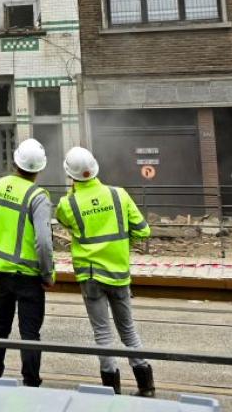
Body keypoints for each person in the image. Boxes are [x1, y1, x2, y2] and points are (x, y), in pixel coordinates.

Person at [56, 146, 155, 397]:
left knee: (102, 334)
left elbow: (65, 222)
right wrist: (123, 245)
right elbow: (143, 230)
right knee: (128, 330)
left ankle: (111, 391)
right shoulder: (118, 195)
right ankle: (146, 385)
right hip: (119, 273)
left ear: (70, 175)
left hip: (90, 276)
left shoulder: (68, 203)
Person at [0, 138, 55, 387]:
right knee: (30, 334)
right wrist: (47, 274)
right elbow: (44, 242)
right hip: (29, 276)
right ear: (39, 169)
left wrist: (0, 233)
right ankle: (31, 383)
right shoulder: (38, 196)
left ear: (15, 162)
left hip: (0, 272)